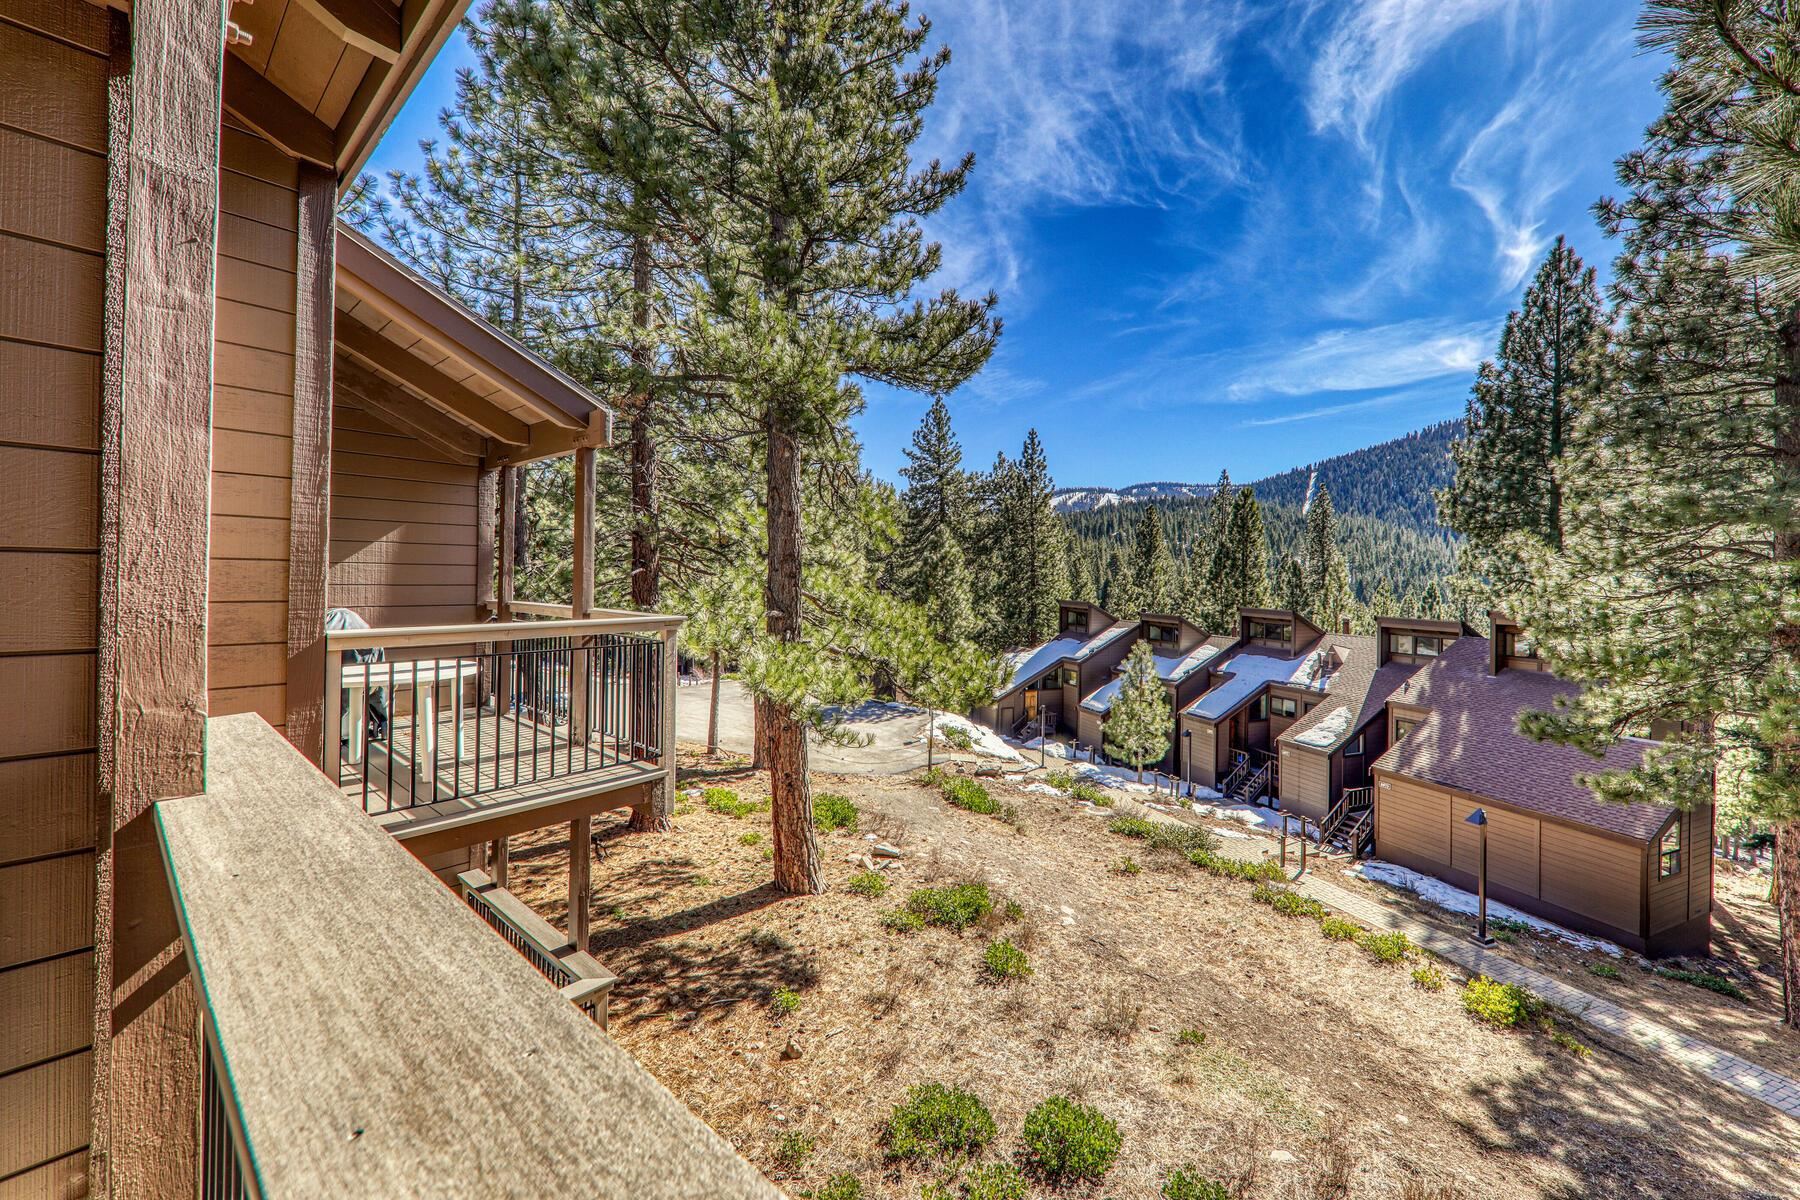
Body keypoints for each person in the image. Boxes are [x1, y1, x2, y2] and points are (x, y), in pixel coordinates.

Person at [326, 607, 388, 745]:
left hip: (343, 666)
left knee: (345, 690)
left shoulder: (333, 621)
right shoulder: (354, 621)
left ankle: (344, 734)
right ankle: (383, 724)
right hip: (369, 664)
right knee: (376, 687)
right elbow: (380, 684)